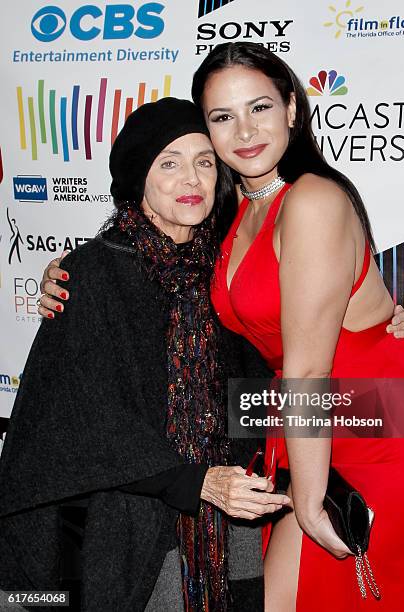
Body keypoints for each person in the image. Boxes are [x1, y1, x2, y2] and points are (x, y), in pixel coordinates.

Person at [38, 52, 404, 609]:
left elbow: (312, 356)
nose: (243, 132)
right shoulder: (223, 223)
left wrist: (379, 337)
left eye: (259, 107)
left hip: (370, 425)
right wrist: (65, 274)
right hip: (302, 438)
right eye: (221, 118)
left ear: (292, 107)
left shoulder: (307, 200)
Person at [0, 97, 292, 612]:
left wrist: (377, 325)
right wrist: (198, 481)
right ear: (140, 179)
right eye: (170, 163)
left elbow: (267, 370)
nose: (192, 180)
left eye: (204, 162)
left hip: (228, 522)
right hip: (132, 526)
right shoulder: (93, 273)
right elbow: (84, 419)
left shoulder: (227, 269)